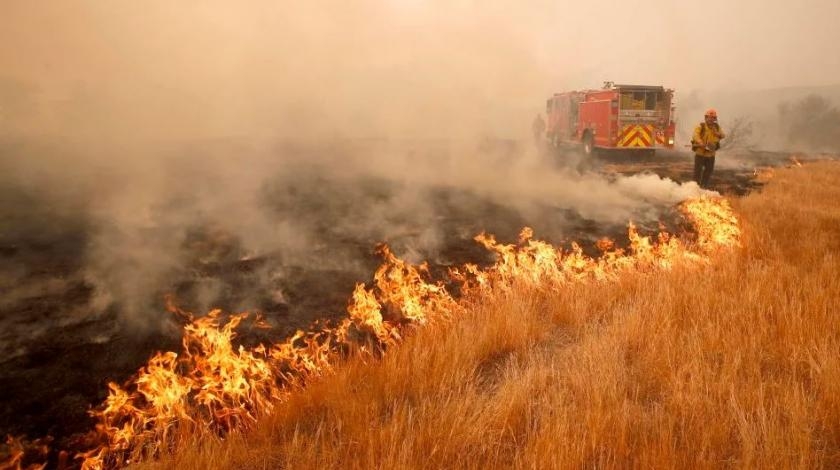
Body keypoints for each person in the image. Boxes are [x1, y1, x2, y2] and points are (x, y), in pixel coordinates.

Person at [691, 108, 726, 189]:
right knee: (697, 174)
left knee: (708, 174)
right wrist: (700, 142)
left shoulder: (717, 127)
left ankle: (703, 189)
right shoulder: (701, 126)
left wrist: (716, 133)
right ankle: (694, 190)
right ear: (705, 118)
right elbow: (695, 135)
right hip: (700, 154)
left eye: (713, 118)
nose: (710, 119)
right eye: (709, 117)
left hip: (711, 155)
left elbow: (723, 135)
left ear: (715, 119)